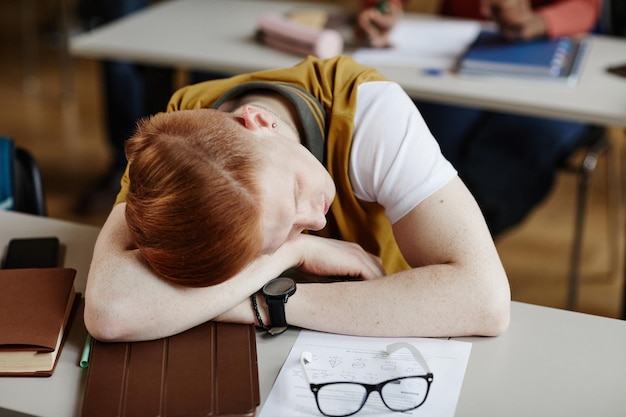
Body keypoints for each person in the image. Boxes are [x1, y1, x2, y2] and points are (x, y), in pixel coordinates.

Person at [85, 55, 511, 342]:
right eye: (277, 239)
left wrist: (265, 304)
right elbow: (111, 310)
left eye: (293, 191)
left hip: (387, 316)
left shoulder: (368, 112)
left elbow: (485, 300)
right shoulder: (172, 149)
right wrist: (296, 252)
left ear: (259, 122)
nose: (317, 222)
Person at [357, 0, 601, 236]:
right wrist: (384, 8)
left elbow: (586, 6)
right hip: (457, 55)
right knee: (423, 150)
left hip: (563, 53)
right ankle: (436, 252)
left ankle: (458, 254)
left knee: (506, 162)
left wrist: (540, 21)